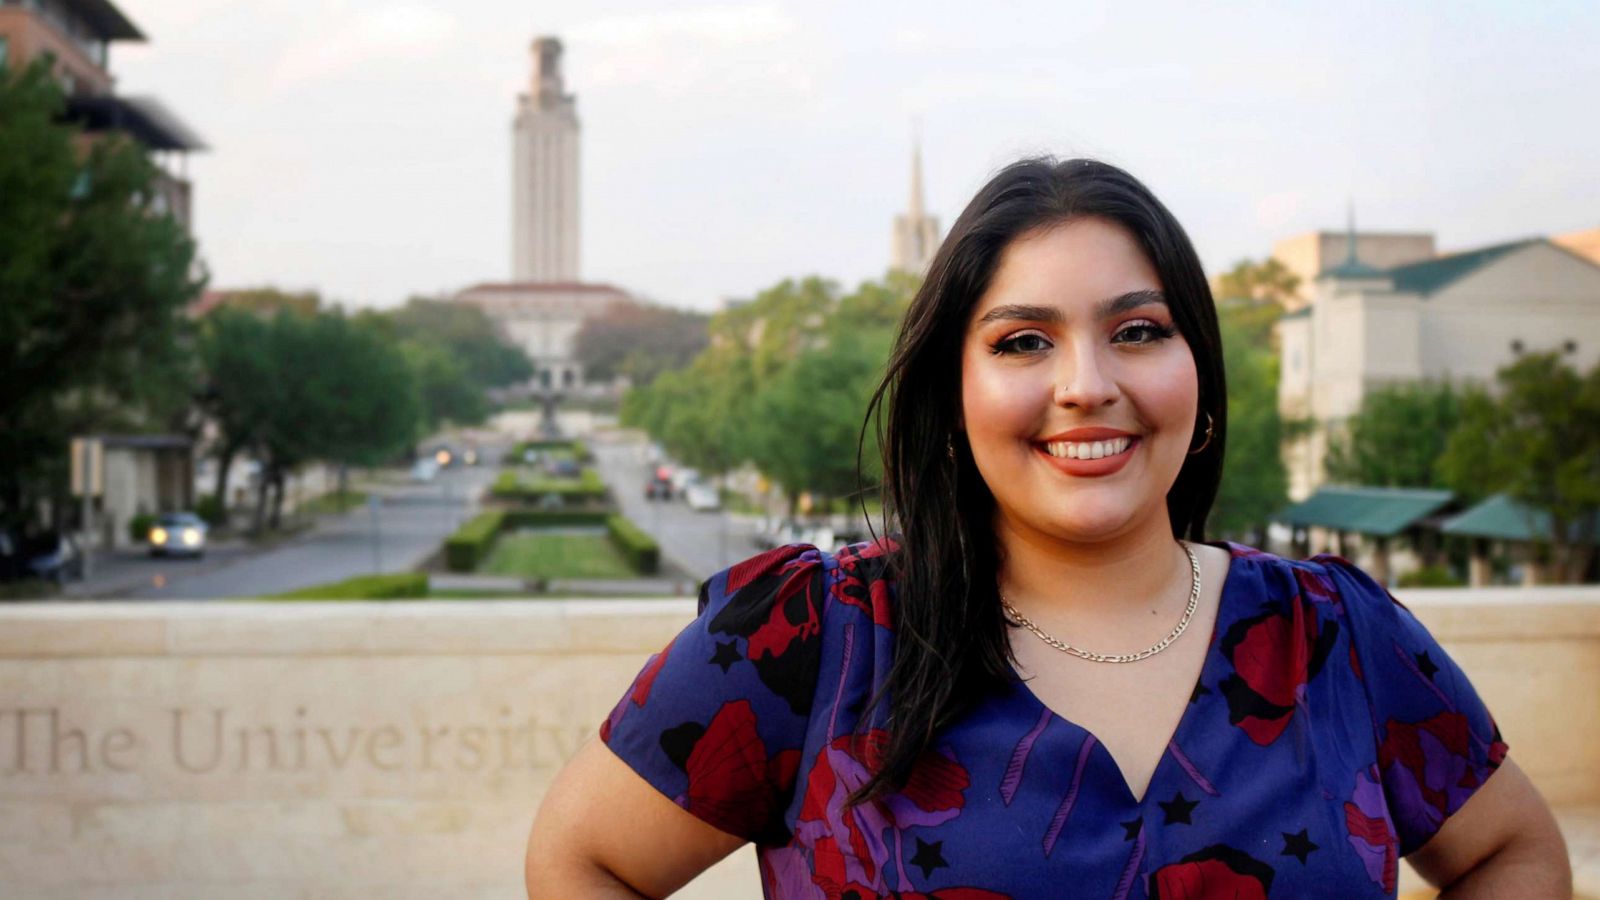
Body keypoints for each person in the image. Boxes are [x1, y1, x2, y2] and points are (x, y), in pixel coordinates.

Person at [525, 158, 1569, 898]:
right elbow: (583, 861)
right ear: (954, 397)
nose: (1086, 385)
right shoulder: (813, 639)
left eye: (1137, 332)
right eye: (1024, 340)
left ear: (1197, 379)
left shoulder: (1334, 633)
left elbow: (1511, 850)